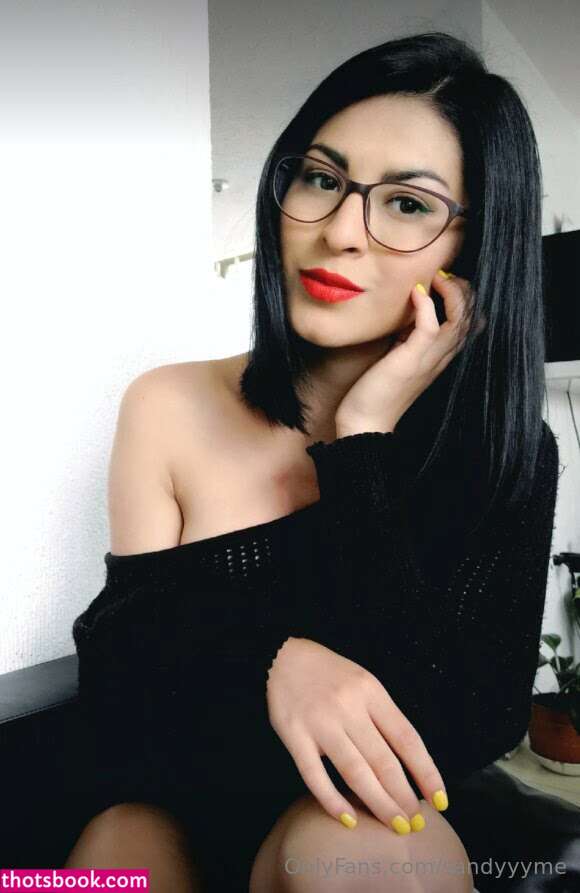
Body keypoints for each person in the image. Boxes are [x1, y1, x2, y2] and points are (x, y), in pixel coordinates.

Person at [65, 31, 559, 893]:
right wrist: (274, 662)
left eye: (407, 204)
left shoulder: (504, 450)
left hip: (366, 835)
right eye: (323, 180)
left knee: (357, 844)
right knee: (109, 857)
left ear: (473, 248)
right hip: (176, 810)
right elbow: (120, 673)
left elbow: (461, 724)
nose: (338, 234)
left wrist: (361, 441)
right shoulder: (168, 403)